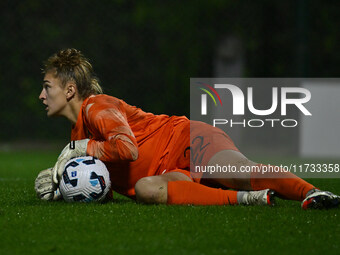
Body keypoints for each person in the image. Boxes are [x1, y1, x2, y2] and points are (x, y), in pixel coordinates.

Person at [34, 48, 340, 209]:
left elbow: (127, 149)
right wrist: (61, 186)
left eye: (48, 87)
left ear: (71, 90)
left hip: (186, 140)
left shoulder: (97, 106)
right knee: (146, 190)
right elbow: (102, 188)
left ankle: (312, 192)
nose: (42, 95)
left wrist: (81, 149)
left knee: (239, 174)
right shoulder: (77, 136)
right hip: (168, 172)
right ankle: (250, 200)